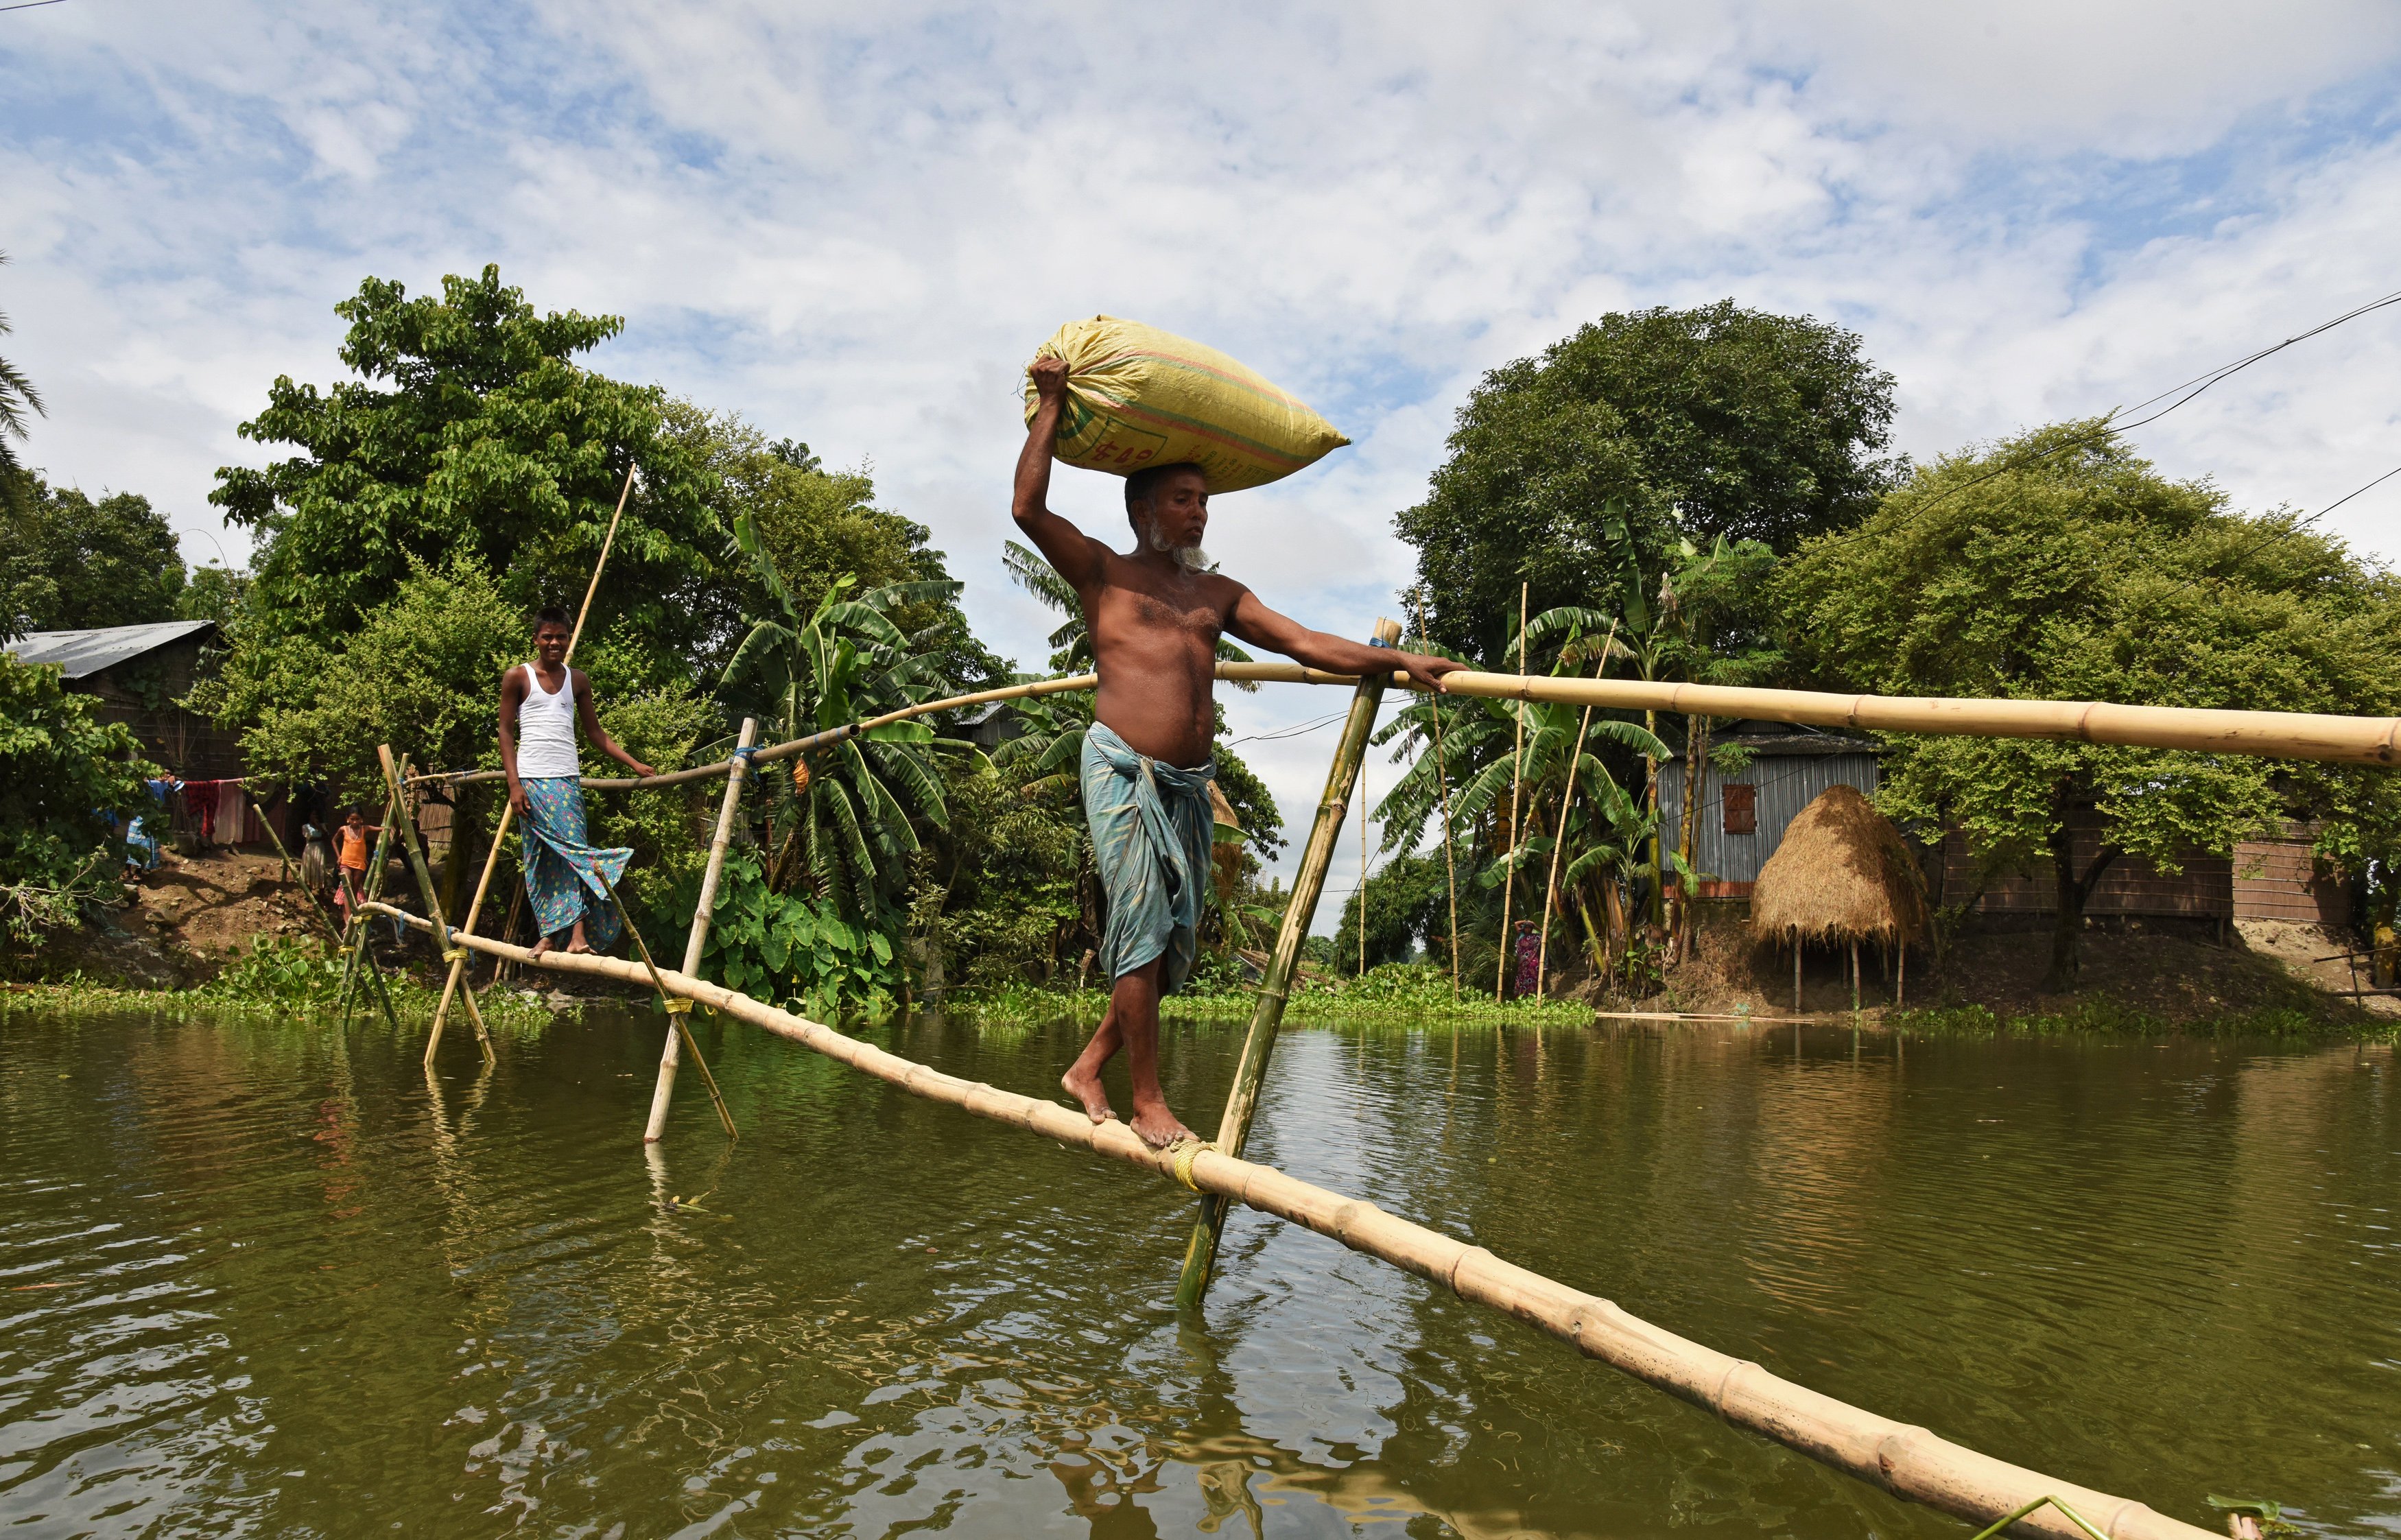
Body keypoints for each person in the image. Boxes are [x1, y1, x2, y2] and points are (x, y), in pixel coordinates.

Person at [1015, 355, 1464, 1148]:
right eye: (1184, 501)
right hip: (1120, 766)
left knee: (1173, 947)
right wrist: (1052, 402)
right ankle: (1146, 1098)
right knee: (1141, 927)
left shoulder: (1216, 595)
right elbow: (1027, 506)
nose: (1198, 516)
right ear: (1143, 507)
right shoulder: (1101, 574)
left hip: (1189, 784)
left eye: (1204, 503)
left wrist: (1398, 661)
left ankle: (1088, 1065)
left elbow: (1301, 641)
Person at [499, 606, 656, 958]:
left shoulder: (578, 680)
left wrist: (634, 764)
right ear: (536, 639)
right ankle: (550, 934)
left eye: (561, 637)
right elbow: (505, 732)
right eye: (547, 637)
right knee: (539, 859)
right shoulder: (518, 677)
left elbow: (595, 733)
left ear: (569, 639)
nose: (554, 643)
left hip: (566, 779)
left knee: (573, 852)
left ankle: (578, 935)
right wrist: (514, 784)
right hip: (531, 780)